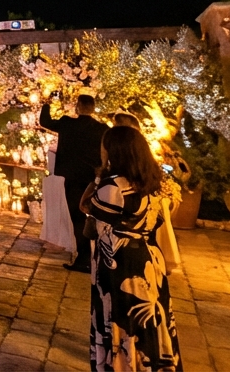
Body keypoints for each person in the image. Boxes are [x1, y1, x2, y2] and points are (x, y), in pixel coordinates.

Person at [86, 127, 183, 371]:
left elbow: (88, 213)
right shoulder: (154, 181)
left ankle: (123, 365)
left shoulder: (113, 187)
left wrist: (98, 177)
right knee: (150, 319)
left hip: (120, 260)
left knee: (121, 317)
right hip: (149, 256)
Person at [41, 94, 109, 272]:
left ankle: (84, 257)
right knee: (95, 217)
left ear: (78, 107)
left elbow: (44, 121)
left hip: (72, 177)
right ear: (93, 108)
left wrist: (46, 102)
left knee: (78, 218)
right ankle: (95, 256)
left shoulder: (67, 123)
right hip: (93, 179)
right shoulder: (101, 128)